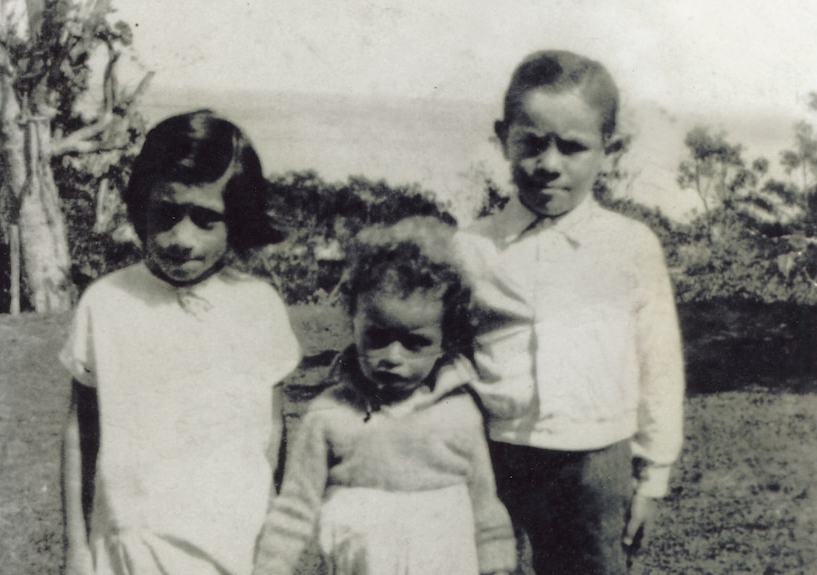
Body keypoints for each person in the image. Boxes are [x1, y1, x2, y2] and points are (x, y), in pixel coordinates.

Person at [453, 50, 685, 575]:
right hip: (493, 456)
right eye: (531, 143)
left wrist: (653, 477)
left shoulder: (630, 246)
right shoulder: (472, 247)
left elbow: (660, 365)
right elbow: (444, 352)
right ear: (503, 136)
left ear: (610, 149)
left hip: (595, 460)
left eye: (573, 146)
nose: (549, 164)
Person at [60, 110, 301, 575]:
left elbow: (271, 434)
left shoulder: (259, 306)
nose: (180, 238)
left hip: (230, 546)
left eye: (206, 219)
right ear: (140, 207)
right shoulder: (106, 303)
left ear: (238, 220)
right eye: (166, 214)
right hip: (129, 545)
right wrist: (76, 546)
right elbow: (80, 436)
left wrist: (271, 538)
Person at [253, 217, 516, 575]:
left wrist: (498, 565)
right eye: (377, 338)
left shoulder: (460, 413)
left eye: (415, 343)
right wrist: (271, 566)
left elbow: (486, 509)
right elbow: (295, 508)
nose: (393, 357)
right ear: (354, 323)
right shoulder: (330, 415)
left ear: (445, 341)